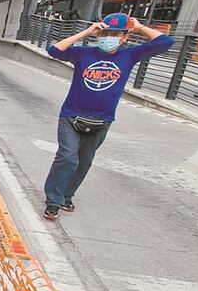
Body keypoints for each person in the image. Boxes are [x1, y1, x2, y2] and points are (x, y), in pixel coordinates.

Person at [42, 13, 174, 220]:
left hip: (102, 120)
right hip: (71, 115)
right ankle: (53, 200)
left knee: (84, 161)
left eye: (114, 33)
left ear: (124, 37)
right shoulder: (83, 54)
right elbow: (54, 50)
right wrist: (86, 31)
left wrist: (139, 27)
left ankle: (67, 195)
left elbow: (166, 42)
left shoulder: (129, 55)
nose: (108, 37)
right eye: (104, 33)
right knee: (67, 157)